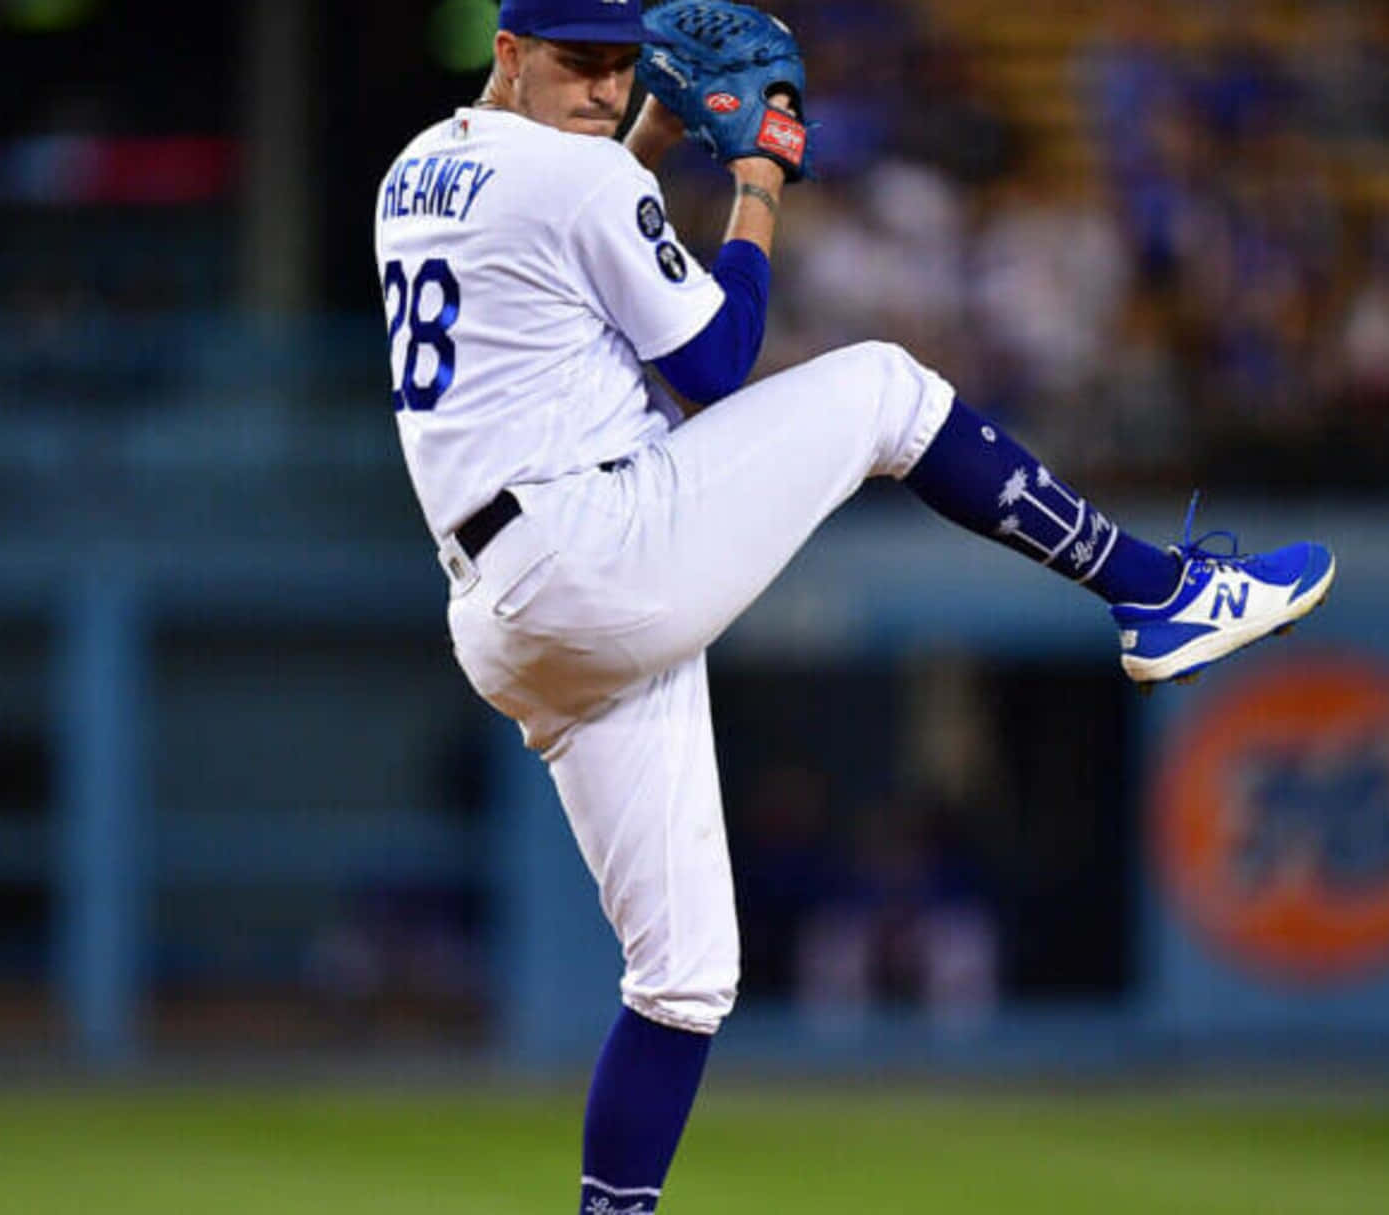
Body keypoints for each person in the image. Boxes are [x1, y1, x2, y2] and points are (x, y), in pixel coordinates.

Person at [372, 3, 1334, 1210]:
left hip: (510, 615)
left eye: (623, 67)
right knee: (886, 389)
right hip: (597, 551)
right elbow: (716, 364)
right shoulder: (570, 176)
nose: (605, 86)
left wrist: (661, 131)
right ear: (508, 52)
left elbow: (567, 235)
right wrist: (761, 176)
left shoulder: (416, 172)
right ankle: (1158, 594)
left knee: (683, 981)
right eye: (580, 62)